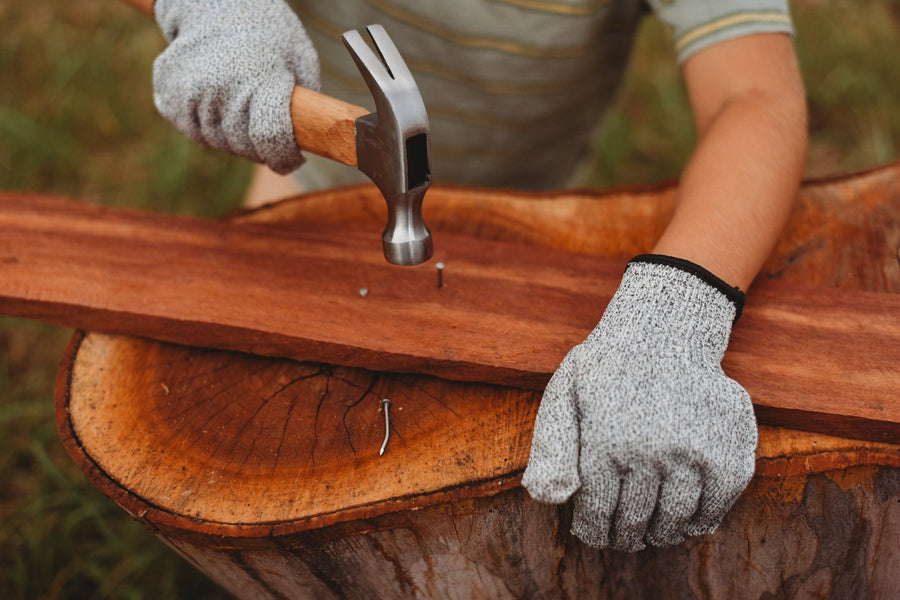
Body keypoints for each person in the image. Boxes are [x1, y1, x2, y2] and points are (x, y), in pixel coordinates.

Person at [150, 0, 808, 552]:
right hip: (310, 196)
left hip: (533, 219)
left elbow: (753, 94)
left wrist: (676, 307)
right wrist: (212, 8)